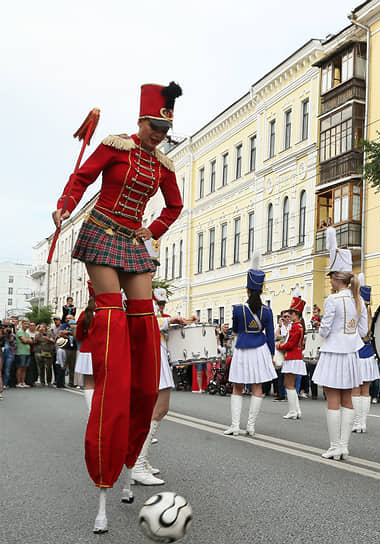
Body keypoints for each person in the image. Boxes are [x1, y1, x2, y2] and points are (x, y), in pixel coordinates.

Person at [53, 82, 183, 534]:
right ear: (141, 121)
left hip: (132, 242)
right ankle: (112, 380)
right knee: (111, 319)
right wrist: (65, 205)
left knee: (145, 325)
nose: (159, 134)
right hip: (101, 232)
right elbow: (83, 177)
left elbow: (176, 205)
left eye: (166, 128)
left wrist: (153, 229)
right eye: (155, 126)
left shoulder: (162, 165)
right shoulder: (116, 146)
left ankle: (139, 391)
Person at [128, 288, 188, 488]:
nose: (152, 269)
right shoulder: (136, 293)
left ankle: (140, 462)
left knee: (156, 410)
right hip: (150, 353)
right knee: (158, 410)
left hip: (157, 353)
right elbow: (140, 324)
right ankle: (137, 465)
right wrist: (170, 321)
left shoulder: (143, 294)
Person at [313, 261, 366, 459]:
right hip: (351, 353)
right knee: (347, 400)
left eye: (331, 279)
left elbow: (325, 330)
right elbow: (362, 331)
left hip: (334, 352)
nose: (330, 283)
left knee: (333, 400)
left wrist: (323, 328)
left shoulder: (333, 300)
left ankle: (335, 446)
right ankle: (343, 446)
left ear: (336, 279)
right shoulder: (357, 299)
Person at [224, 268, 276, 438]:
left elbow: (237, 329)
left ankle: (235, 426)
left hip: (242, 349)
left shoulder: (238, 309)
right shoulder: (267, 311)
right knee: (257, 388)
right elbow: (270, 336)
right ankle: (251, 427)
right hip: (260, 350)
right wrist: (272, 355)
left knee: (237, 387)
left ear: (247, 289)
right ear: (262, 290)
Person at [352, 285, 380, 433]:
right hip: (369, 356)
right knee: (365, 391)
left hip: (357, 355)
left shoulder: (356, 316)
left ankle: (357, 422)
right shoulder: (374, 318)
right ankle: (362, 423)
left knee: (356, 391)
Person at [278, 292, 308, 420]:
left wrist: (279, 346)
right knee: (290, 384)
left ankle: (292, 411)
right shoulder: (299, 326)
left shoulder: (296, 327)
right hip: (296, 357)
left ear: (296, 314)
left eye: (291, 313)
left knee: (288, 384)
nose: (289, 315)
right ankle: (297, 410)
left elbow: (290, 344)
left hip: (292, 357)